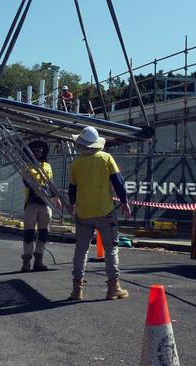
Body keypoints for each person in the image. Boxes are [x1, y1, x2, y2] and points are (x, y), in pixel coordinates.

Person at [66, 126, 131, 301]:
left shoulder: (76, 164)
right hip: (105, 211)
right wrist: (124, 202)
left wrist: (72, 205)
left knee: (81, 250)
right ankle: (113, 287)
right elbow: (118, 182)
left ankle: (76, 289)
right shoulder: (106, 158)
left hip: (83, 213)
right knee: (111, 249)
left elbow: (72, 189)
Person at [21, 140, 61, 272]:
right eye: (35, 150)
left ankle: (39, 260)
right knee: (29, 233)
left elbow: (51, 183)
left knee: (44, 232)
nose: (37, 152)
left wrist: (55, 197)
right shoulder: (26, 166)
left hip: (45, 204)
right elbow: (26, 182)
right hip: (32, 203)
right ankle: (26, 261)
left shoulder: (47, 166)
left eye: (39, 150)